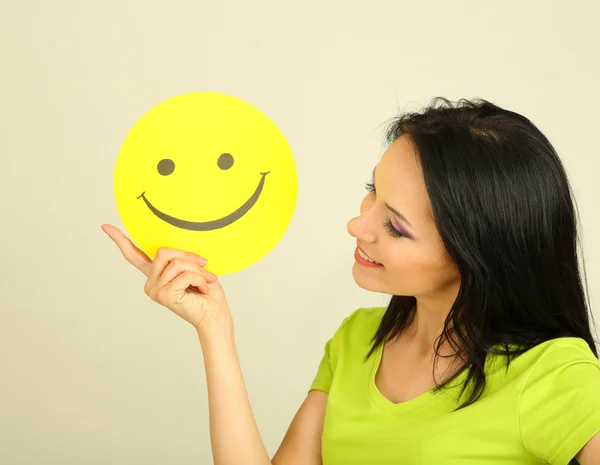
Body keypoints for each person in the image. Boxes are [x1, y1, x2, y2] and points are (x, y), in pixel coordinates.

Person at [101, 97, 600, 465]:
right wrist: (213, 328)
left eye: (396, 226)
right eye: (372, 192)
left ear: (479, 255)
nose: (358, 226)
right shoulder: (357, 341)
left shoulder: (554, 373)